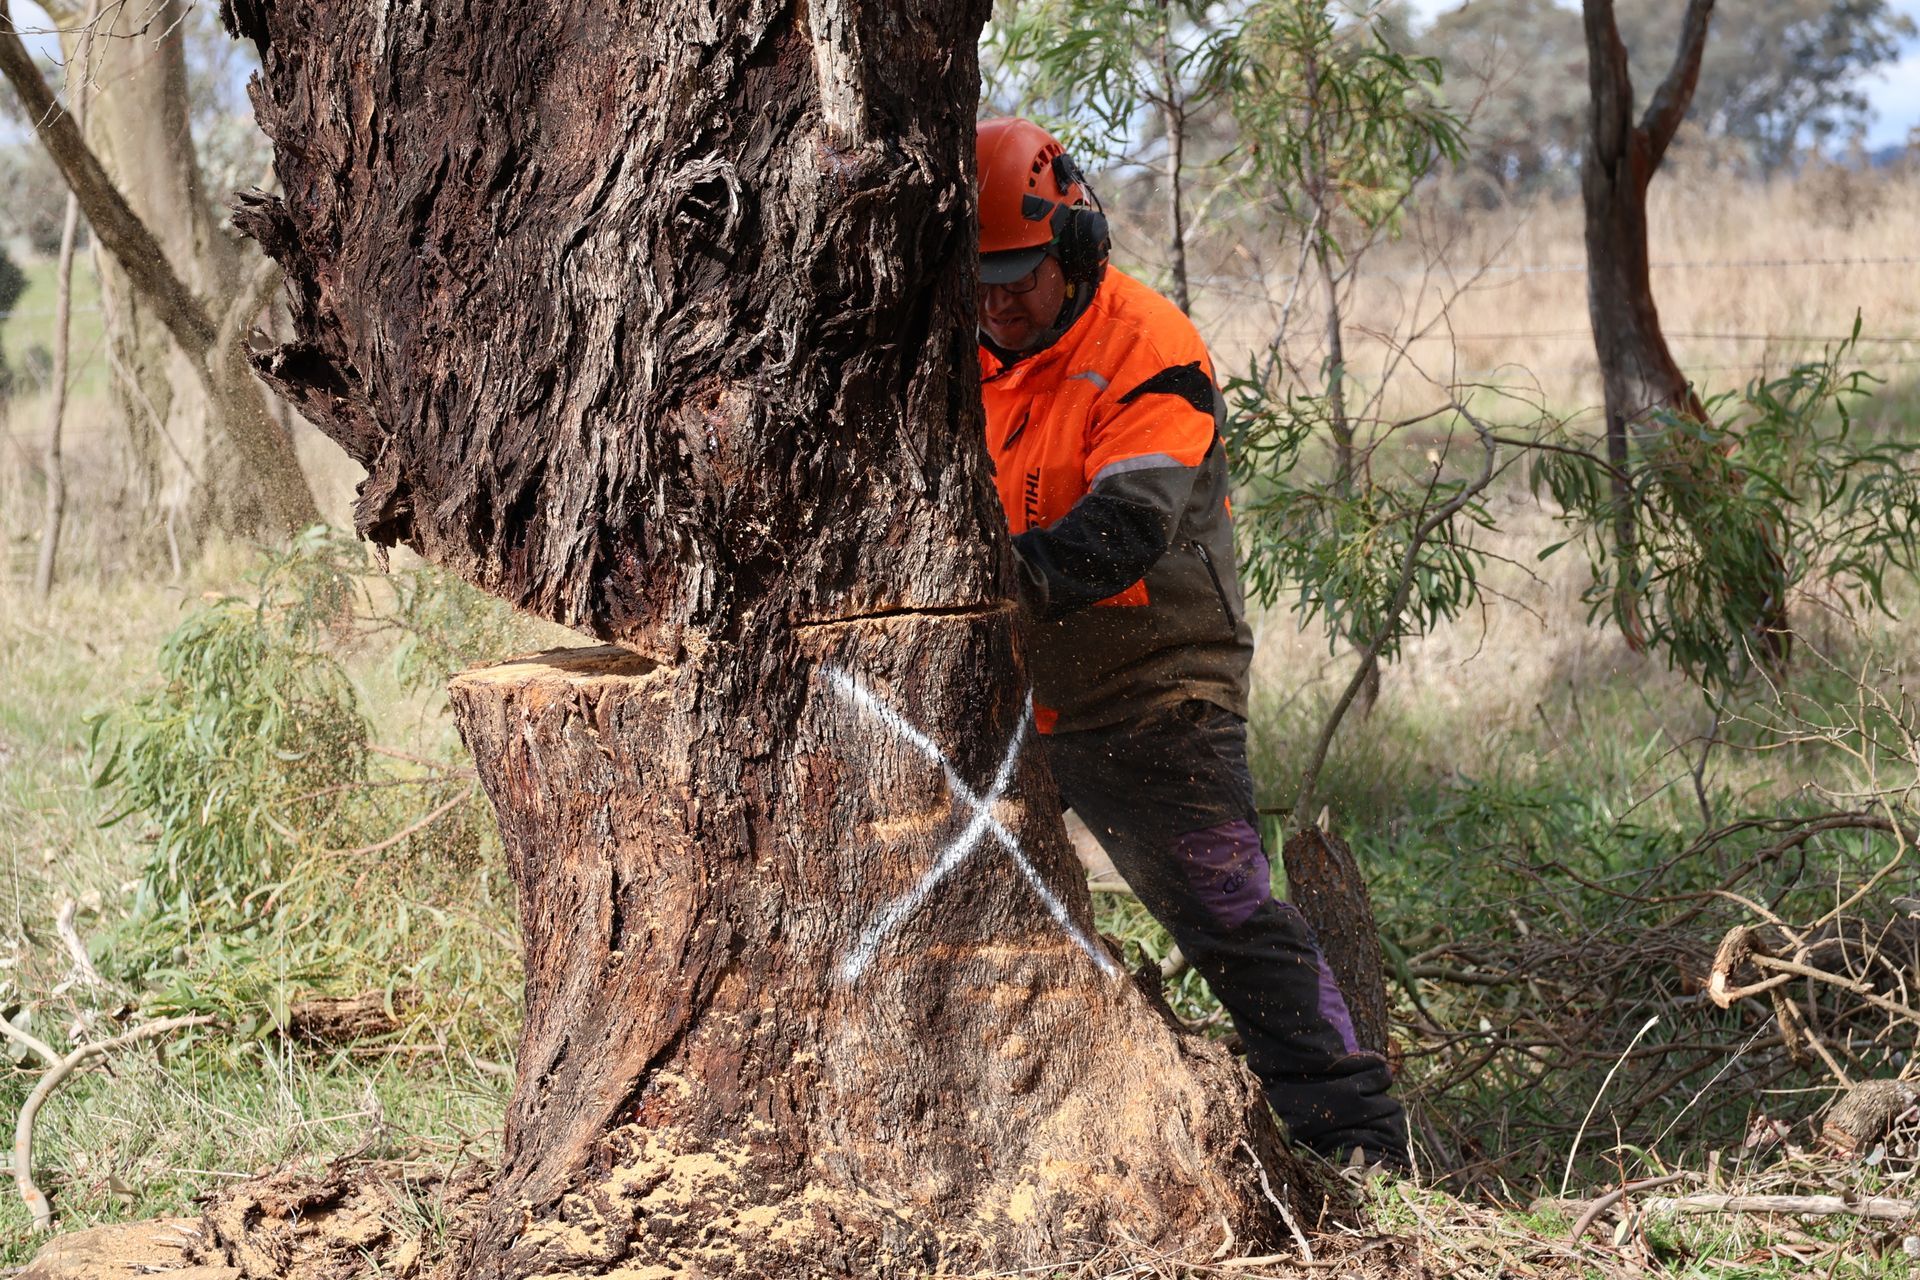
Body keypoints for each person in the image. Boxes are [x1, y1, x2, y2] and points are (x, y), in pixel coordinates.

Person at [973, 116, 1410, 1170]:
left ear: (1074, 249)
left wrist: (991, 586)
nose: (997, 302)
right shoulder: (963, 350)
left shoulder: (1147, 345)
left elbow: (1128, 524)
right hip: (1010, 684)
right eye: (976, 280)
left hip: (1154, 680)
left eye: (1018, 278)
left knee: (1224, 907)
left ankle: (1354, 1132)